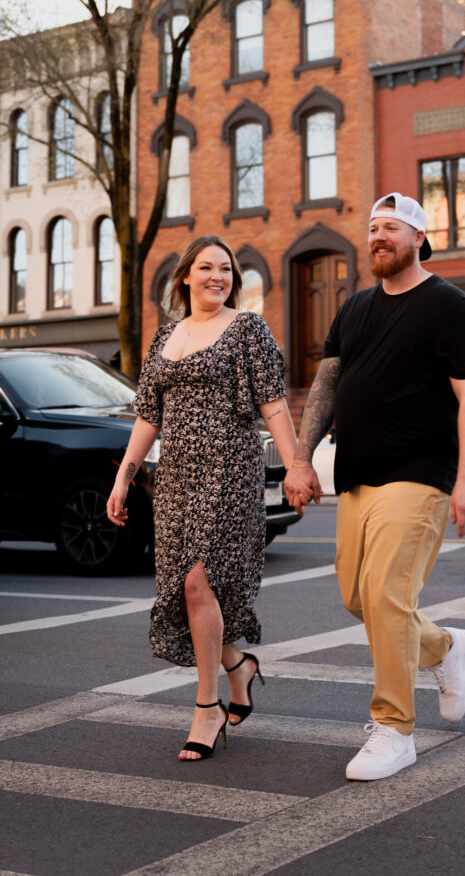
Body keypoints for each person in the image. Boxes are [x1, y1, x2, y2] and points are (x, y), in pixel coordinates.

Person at [284, 192, 465, 782]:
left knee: (386, 595)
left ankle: (395, 729)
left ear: (419, 238)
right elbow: (325, 388)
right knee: (360, 597)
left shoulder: (448, 305)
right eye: (373, 228)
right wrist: (302, 460)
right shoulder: (353, 310)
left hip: (419, 475)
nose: (379, 237)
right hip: (357, 475)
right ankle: (444, 648)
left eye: (391, 228)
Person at [107, 235, 298, 761]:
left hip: (229, 470)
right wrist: (124, 477)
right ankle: (239, 666)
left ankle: (207, 706)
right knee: (185, 591)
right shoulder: (165, 336)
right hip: (175, 478)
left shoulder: (247, 328)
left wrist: (297, 462)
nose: (219, 277)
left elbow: (273, 405)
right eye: (208, 267)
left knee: (197, 580)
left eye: (227, 269)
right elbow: (149, 415)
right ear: (186, 275)